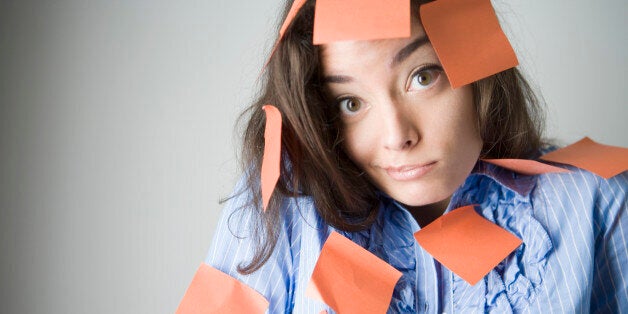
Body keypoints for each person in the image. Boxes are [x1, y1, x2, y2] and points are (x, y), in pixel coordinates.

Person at [203, 0, 627, 312]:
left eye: (422, 77)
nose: (396, 136)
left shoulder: (595, 198)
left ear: (478, 67)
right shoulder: (280, 204)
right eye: (350, 102)